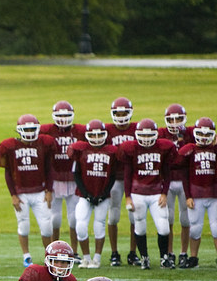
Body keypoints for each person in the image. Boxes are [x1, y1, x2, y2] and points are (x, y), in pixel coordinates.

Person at [0, 114, 58, 267]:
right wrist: (13, 195)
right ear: (19, 130)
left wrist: (49, 190)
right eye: (26, 129)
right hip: (21, 192)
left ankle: (48, 255)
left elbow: (49, 169)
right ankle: (26, 256)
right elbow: (8, 172)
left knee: (46, 227)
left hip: (40, 192)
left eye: (32, 128)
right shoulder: (9, 146)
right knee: (23, 225)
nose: (29, 132)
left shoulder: (44, 143)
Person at [119, 119, 177, 269]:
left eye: (149, 135)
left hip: (157, 192)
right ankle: (144, 258)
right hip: (138, 193)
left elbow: (167, 173)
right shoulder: (131, 149)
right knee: (140, 226)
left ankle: (164, 257)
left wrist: (164, 193)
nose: (145, 139)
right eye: (142, 136)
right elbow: (127, 174)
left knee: (164, 226)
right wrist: (128, 197)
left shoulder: (163, 148)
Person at [69, 119, 119, 268]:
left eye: (99, 135)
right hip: (85, 195)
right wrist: (87, 194)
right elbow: (76, 174)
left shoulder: (111, 152)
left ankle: (96, 258)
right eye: (94, 135)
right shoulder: (81, 150)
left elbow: (112, 176)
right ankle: (85, 258)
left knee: (99, 225)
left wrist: (103, 194)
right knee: (81, 226)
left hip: (102, 195)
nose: (97, 138)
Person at [40, 100, 85, 248]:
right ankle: (54, 249)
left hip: (73, 178)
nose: (63, 119)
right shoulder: (46, 131)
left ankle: (75, 251)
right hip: (54, 179)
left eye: (66, 115)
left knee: (74, 218)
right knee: (55, 219)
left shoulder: (80, 131)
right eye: (60, 115)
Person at [158, 104, 194, 267]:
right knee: (169, 218)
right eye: (171, 119)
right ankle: (170, 252)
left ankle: (184, 253)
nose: (174, 122)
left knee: (186, 220)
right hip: (168, 180)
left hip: (186, 181)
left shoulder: (192, 133)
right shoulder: (160, 134)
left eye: (178, 118)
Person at [105, 97, 138, 267]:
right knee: (113, 216)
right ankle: (114, 252)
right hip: (115, 179)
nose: (121, 116)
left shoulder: (137, 128)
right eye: (117, 113)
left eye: (124, 112)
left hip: (133, 179)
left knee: (135, 217)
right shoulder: (107, 130)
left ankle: (133, 252)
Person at [180, 117, 217, 269]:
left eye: (207, 134)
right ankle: (193, 257)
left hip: (214, 195)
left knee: (216, 228)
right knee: (195, 228)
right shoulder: (190, 150)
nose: (203, 137)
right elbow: (185, 176)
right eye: (200, 133)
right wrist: (188, 195)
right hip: (196, 194)